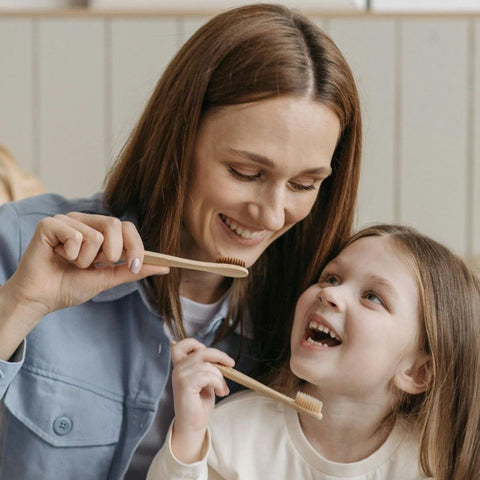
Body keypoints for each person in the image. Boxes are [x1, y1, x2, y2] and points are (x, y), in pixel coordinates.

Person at [0, 3, 362, 479]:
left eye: (303, 184)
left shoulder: (312, 319)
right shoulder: (19, 243)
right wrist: (19, 306)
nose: (273, 214)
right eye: (245, 172)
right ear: (177, 141)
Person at [148, 224, 480, 480]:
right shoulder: (234, 433)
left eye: (372, 297)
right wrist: (189, 437)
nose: (330, 294)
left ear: (418, 372)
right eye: (331, 278)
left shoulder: (429, 467)